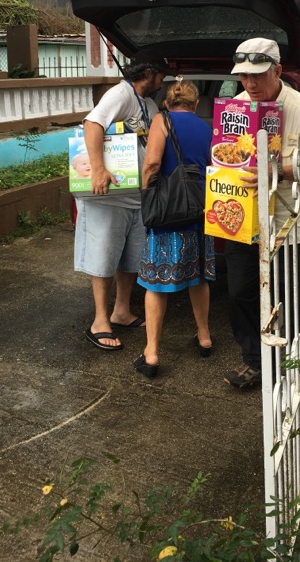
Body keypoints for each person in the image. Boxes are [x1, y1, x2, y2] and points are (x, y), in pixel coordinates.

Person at [223, 37, 300, 388]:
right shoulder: (234, 108)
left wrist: (278, 170)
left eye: (258, 75)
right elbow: (223, 155)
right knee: (240, 292)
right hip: (245, 220)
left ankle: (294, 367)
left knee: (292, 298)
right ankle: (254, 360)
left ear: (278, 70)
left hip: (292, 224)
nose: (250, 84)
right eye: (244, 77)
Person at [74, 50, 172, 351]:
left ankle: (121, 310)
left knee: (130, 259)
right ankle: (100, 321)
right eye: (161, 77)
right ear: (151, 73)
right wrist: (99, 168)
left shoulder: (150, 103)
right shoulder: (120, 94)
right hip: (108, 198)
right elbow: (93, 124)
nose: (162, 83)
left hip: (135, 198)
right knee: (103, 257)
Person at [133, 79, 215, 378]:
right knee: (198, 278)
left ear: (168, 103)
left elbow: (152, 163)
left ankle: (152, 353)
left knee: (156, 283)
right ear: (195, 105)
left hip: (168, 214)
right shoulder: (208, 128)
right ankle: (204, 337)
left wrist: (146, 194)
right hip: (198, 211)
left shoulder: (161, 120)